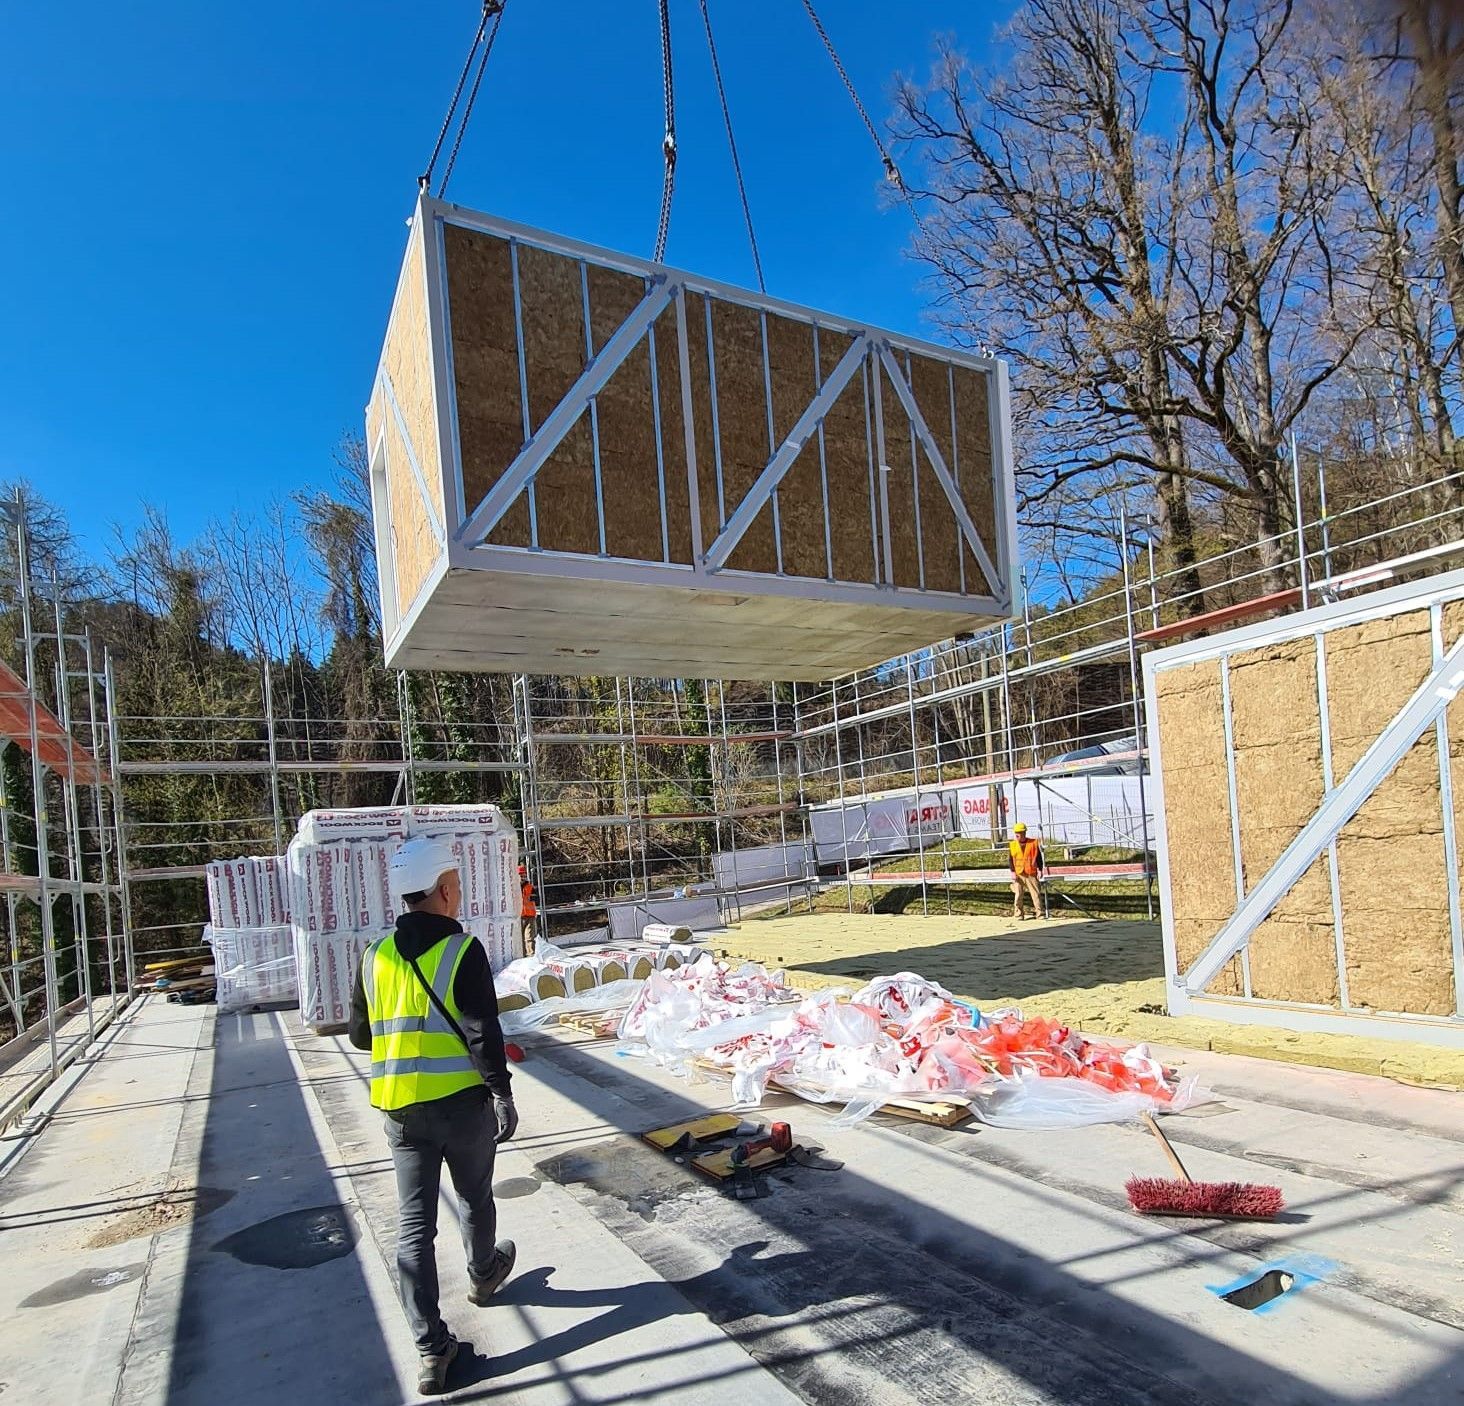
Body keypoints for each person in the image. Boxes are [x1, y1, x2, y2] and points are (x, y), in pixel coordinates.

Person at [349, 836, 519, 1395]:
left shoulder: (375, 955)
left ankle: (431, 1350)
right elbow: (481, 1033)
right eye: (457, 885)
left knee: (413, 1229)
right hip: (462, 1107)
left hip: (400, 1112)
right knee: (474, 1197)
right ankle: (483, 1273)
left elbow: (358, 1034)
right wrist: (502, 1093)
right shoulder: (462, 950)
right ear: (445, 890)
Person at [1008, 821, 1047, 920]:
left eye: (1019, 832)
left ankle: (1040, 913)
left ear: (1024, 833)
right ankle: (1018, 914)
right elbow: (1011, 859)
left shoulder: (1033, 843)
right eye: (1016, 832)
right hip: (1019, 873)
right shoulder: (1012, 845)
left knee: (1036, 894)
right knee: (1018, 895)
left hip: (1031, 872)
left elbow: (1038, 857)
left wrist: (1040, 869)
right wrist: (1012, 872)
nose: (1017, 834)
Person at [518, 863, 538, 954]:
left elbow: (535, 898)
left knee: (529, 937)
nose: (523, 877)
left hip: (530, 915)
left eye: (524, 875)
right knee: (519, 939)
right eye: (521, 875)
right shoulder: (514, 887)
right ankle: (522, 955)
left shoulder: (530, 887)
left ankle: (531, 954)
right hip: (519, 916)